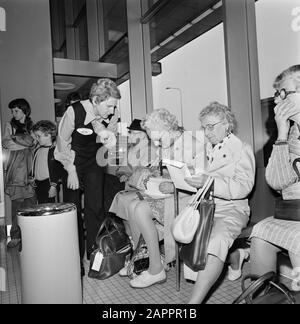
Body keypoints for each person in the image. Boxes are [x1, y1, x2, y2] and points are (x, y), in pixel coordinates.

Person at [110, 108, 206, 288]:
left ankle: (155, 267)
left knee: (138, 208)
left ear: (168, 127)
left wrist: (174, 184)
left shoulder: (193, 144)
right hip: (171, 197)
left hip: (188, 202)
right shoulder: (168, 144)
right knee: (132, 207)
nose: (156, 143)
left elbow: (202, 180)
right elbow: (165, 172)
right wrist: (155, 177)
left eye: (157, 139)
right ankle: (146, 260)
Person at [184, 101, 255, 303]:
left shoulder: (242, 149)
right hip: (205, 207)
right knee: (183, 232)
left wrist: (211, 183)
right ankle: (238, 256)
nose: (206, 132)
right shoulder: (204, 150)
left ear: (226, 124)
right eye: (204, 127)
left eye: (210, 126)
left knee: (215, 242)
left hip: (232, 208)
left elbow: (244, 186)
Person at [54, 78, 121, 275]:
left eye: (114, 106)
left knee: (96, 209)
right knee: (72, 210)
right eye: (109, 106)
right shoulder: (74, 111)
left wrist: (109, 137)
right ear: (95, 100)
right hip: (73, 161)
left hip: (95, 162)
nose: (112, 110)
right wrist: (71, 170)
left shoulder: (113, 113)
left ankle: (93, 255)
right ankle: (74, 259)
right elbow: (61, 144)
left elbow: (112, 140)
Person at [249, 65, 300, 283]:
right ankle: (263, 296)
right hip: (295, 212)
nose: (277, 101)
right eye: (276, 95)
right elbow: (276, 182)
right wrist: (281, 133)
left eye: (283, 93)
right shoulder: (292, 134)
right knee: (260, 232)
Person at [2, 98, 36, 248]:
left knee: (31, 205)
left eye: (16, 110)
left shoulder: (32, 126)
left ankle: (31, 235)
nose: (13, 113)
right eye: (12, 111)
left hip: (30, 171)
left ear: (24, 110)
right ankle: (15, 236)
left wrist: (17, 139)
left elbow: (34, 142)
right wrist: (25, 141)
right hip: (15, 172)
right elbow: (6, 143)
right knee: (17, 207)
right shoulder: (9, 125)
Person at [103, 118, 157, 212]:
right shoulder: (130, 148)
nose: (129, 135)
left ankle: (110, 219)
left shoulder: (149, 150)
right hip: (126, 182)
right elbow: (116, 164)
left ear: (142, 135)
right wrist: (123, 174)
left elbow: (142, 172)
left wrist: (126, 175)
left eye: (132, 132)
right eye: (129, 132)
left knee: (107, 184)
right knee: (103, 180)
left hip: (137, 187)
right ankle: (109, 219)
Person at [32, 120, 66, 204]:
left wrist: (53, 186)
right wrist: (32, 177)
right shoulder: (37, 150)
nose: (36, 138)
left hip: (49, 184)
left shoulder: (54, 151)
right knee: (40, 205)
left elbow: (57, 170)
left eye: (38, 136)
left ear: (48, 135)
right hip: (38, 184)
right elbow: (34, 165)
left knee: (51, 206)